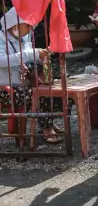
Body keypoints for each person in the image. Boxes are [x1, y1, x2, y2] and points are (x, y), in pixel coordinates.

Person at [0, 8, 63, 144]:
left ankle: (48, 120)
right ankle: (47, 127)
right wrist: (30, 54)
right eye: (27, 25)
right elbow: (2, 60)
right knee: (38, 94)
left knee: (57, 90)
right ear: (15, 25)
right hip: (5, 87)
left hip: (24, 82)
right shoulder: (0, 38)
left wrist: (41, 57)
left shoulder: (24, 36)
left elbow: (29, 56)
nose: (30, 29)